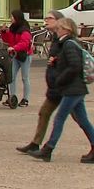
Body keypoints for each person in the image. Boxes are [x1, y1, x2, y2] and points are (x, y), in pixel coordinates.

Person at [29, 17, 94, 163]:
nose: (56, 31)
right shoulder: (68, 44)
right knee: (83, 120)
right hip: (75, 88)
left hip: (73, 88)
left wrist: (60, 79)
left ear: (67, 29)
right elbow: (71, 62)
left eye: (59, 29)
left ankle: (48, 149)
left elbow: (74, 66)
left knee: (59, 118)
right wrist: (58, 61)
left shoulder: (69, 44)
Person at [16, 10, 69, 153]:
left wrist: (56, 61)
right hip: (56, 87)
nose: (45, 20)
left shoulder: (66, 40)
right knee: (44, 112)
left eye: (50, 18)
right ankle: (35, 143)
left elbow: (73, 62)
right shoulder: (55, 38)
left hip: (68, 88)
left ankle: (48, 148)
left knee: (75, 119)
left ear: (60, 21)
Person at [0, 9, 33, 107]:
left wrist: (14, 47)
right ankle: (12, 97)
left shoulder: (24, 30)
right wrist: (4, 32)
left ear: (17, 18)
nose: (11, 19)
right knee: (11, 77)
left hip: (25, 55)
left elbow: (25, 43)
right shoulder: (13, 28)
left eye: (12, 17)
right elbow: (8, 39)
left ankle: (25, 99)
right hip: (15, 55)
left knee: (25, 77)